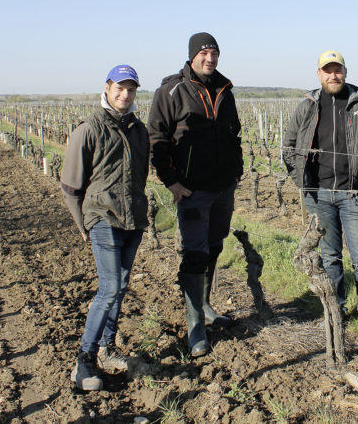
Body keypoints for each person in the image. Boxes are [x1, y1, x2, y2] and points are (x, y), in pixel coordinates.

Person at [148, 33, 243, 357]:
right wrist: (171, 182)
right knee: (195, 253)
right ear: (192, 56)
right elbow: (156, 140)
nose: (210, 58)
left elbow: (234, 133)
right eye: (204, 53)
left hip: (223, 188)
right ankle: (194, 325)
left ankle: (204, 306)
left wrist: (236, 171)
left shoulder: (225, 89)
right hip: (192, 190)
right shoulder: (171, 91)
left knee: (214, 246)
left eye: (214, 53)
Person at [284, 50, 358, 332]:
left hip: (355, 194)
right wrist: (301, 181)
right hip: (319, 195)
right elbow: (289, 145)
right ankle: (336, 309)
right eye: (327, 70)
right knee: (329, 256)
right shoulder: (308, 106)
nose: (333, 75)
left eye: (337, 70)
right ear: (319, 75)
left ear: (345, 71)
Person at [61, 65, 150, 391]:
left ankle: (106, 348)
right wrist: (83, 223)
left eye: (131, 89)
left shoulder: (139, 130)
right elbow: (71, 186)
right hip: (102, 217)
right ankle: (83, 359)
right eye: (120, 88)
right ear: (108, 88)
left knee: (121, 284)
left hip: (133, 219)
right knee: (110, 287)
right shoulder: (90, 128)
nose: (125, 95)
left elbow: (139, 175)